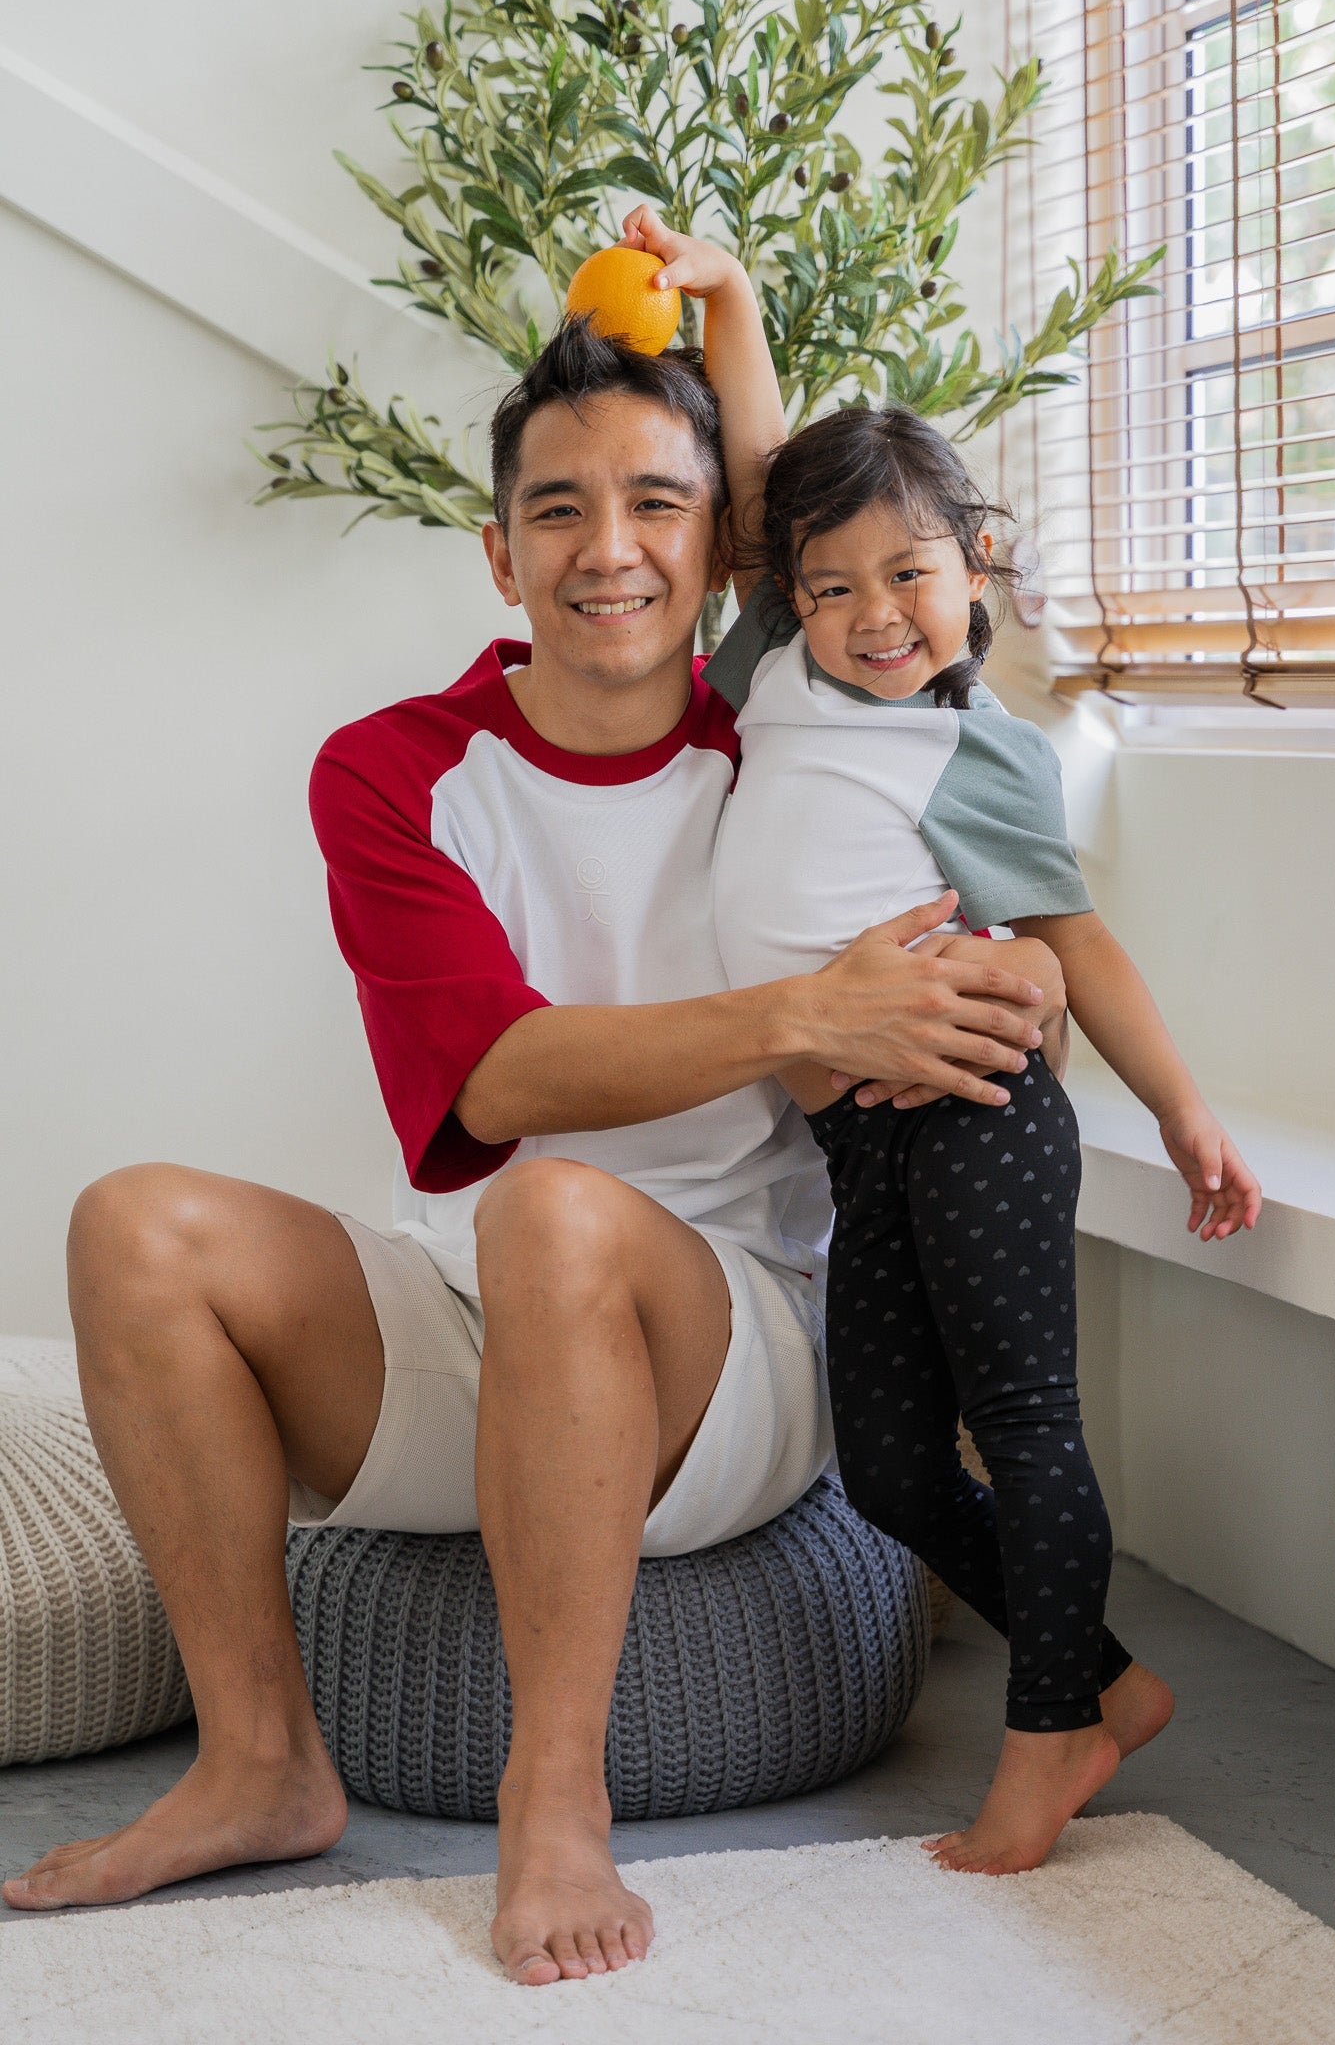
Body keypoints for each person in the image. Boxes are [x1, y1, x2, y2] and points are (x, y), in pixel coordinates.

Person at [1, 290, 1063, 1979]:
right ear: (500, 557)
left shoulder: (793, 733)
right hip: (492, 1299)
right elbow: (491, 1082)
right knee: (135, 1220)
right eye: (556, 510)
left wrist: (1019, 989)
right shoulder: (389, 771)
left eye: (657, 504)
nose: (606, 548)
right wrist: (799, 1015)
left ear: (724, 554)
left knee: (557, 1214)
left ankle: (550, 1798)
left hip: (741, 1356)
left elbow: (1006, 961)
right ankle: (258, 1762)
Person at [618, 205, 1261, 1877]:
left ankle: (1045, 1741)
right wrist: (730, 296)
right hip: (858, 1131)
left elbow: (1072, 939)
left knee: (1025, 1420)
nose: (870, 613)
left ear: (974, 570)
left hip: (975, 1114)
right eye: (829, 587)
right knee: (896, 1464)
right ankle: (1108, 1686)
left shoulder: (979, 750)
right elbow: (766, 485)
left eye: (908, 575)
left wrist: (1181, 1111)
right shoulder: (773, 675)